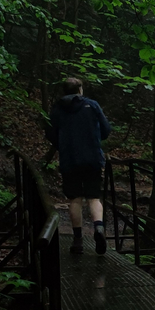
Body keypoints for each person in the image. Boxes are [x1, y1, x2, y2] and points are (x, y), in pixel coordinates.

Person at [45, 77, 112, 254]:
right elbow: (106, 130)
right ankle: (98, 228)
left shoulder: (58, 109)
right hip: (92, 159)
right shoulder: (92, 105)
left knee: (74, 199)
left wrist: (63, 145)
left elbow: (50, 133)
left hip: (69, 159)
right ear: (80, 89)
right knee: (94, 197)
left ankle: (77, 240)